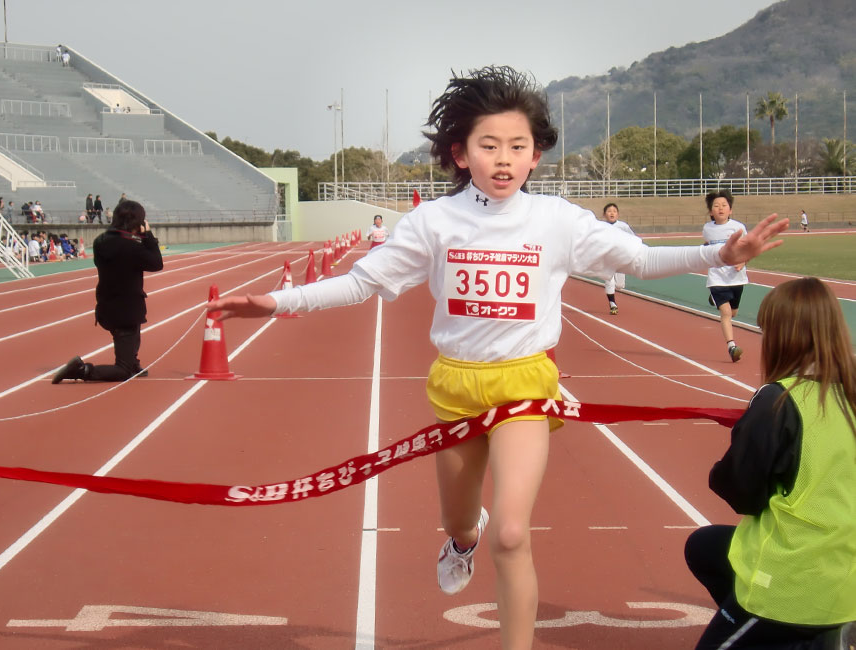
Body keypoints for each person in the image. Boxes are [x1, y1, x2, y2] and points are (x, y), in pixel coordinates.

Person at [203, 65, 789, 649]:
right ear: (460, 153)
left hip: (526, 386)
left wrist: (716, 256)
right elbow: (362, 282)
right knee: (464, 522)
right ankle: (462, 541)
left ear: (536, 155)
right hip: (456, 387)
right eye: (489, 145)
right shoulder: (435, 222)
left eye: (518, 146)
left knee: (513, 534)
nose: (504, 159)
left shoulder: (556, 221)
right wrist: (276, 301)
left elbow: (635, 260)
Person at [684, 277, 856, 650]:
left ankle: (792, 632)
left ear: (784, 337)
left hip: (792, 583)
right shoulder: (849, 395)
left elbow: (742, 491)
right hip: (847, 574)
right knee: (705, 546)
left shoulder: (778, 400)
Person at [52, 200, 163, 384]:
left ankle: (132, 363)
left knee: (131, 336)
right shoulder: (132, 246)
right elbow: (156, 263)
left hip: (106, 306)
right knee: (123, 369)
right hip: (127, 310)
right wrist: (148, 235)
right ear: (137, 223)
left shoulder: (101, 241)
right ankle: (82, 370)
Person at [703, 190, 748, 362]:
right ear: (710, 211)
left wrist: (743, 261)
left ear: (731, 210)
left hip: (737, 277)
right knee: (726, 313)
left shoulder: (739, 227)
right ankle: (732, 347)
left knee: (734, 312)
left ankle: (714, 300)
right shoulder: (707, 229)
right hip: (716, 278)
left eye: (724, 205)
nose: (720, 208)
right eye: (716, 206)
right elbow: (707, 247)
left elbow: (747, 249)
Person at [600, 202, 636, 315]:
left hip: (620, 257)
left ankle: (613, 292)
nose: (612, 213)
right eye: (609, 211)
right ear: (604, 214)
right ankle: (613, 304)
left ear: (618, 214)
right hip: (607, 258)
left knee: (619, 285)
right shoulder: (600, 226)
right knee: (609, 281)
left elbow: (633, 238)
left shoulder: (623, 226)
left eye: (614, 211)